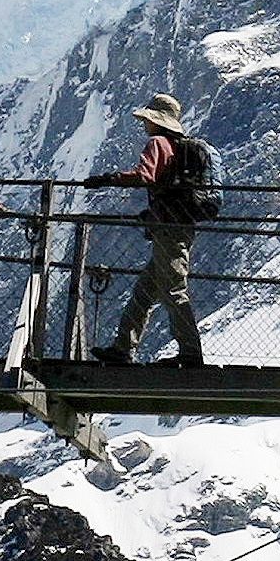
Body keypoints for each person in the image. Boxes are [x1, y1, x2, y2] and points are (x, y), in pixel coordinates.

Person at [88, 92, 206, 368]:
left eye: (148, 120)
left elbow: (145, 176)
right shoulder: (180, 147)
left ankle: (190, 353)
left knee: (174, 290)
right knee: (145, 291)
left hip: (169, 230)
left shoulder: (157, 143)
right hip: (181, 226)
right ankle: (122, 347)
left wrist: (110, 178)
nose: (144, 125)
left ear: (157, 121)